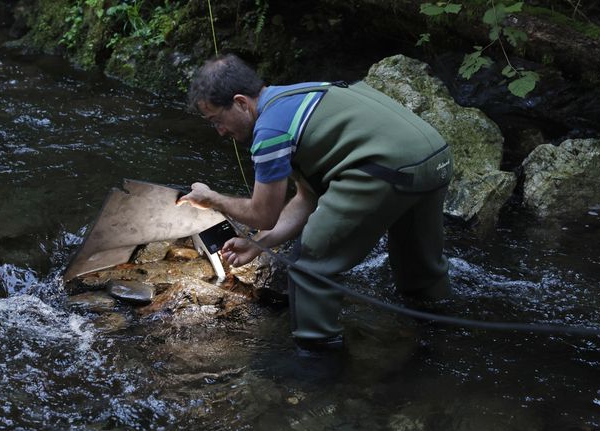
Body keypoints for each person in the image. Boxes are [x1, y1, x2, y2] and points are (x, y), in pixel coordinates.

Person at [178, 54, 453, 351]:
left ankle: (317, 363)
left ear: (242, 102)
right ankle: (441, 335)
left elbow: (262, 214)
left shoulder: (270, 131)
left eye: (217, 120)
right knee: (420, 269)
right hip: (435, 157)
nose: (220, 132)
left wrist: (212, 199)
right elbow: (307, 199)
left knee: (309, 267)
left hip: (386, 169)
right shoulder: (294, 97)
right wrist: (259, 243)